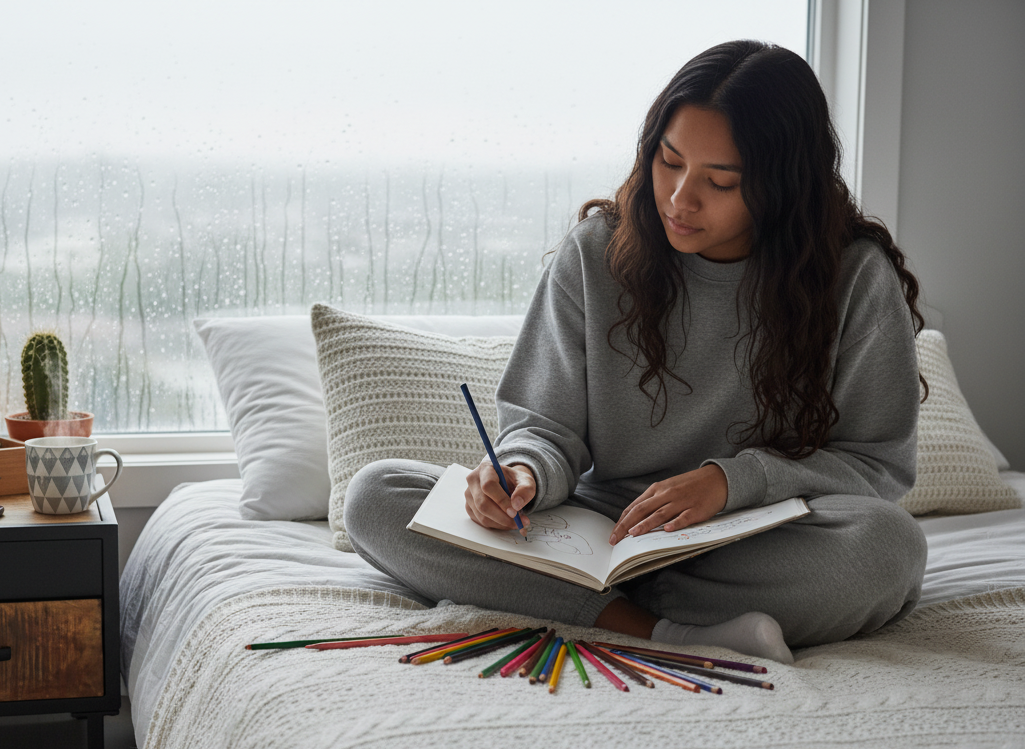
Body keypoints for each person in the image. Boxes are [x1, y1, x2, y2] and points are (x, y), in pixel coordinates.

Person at [342, 40, 928, 664]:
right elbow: (545, 426)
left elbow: (875, 466)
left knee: (889, 548)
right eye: (669, 162)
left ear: (783, 185)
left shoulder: (854, 278)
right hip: (595, 528)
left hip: (746, 539)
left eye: (720, 182)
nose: (679, 199)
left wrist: (732, 483)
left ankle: (572, 603)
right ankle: (661, 631)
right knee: (377, 495)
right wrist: (522, 474)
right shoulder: (596, 255)